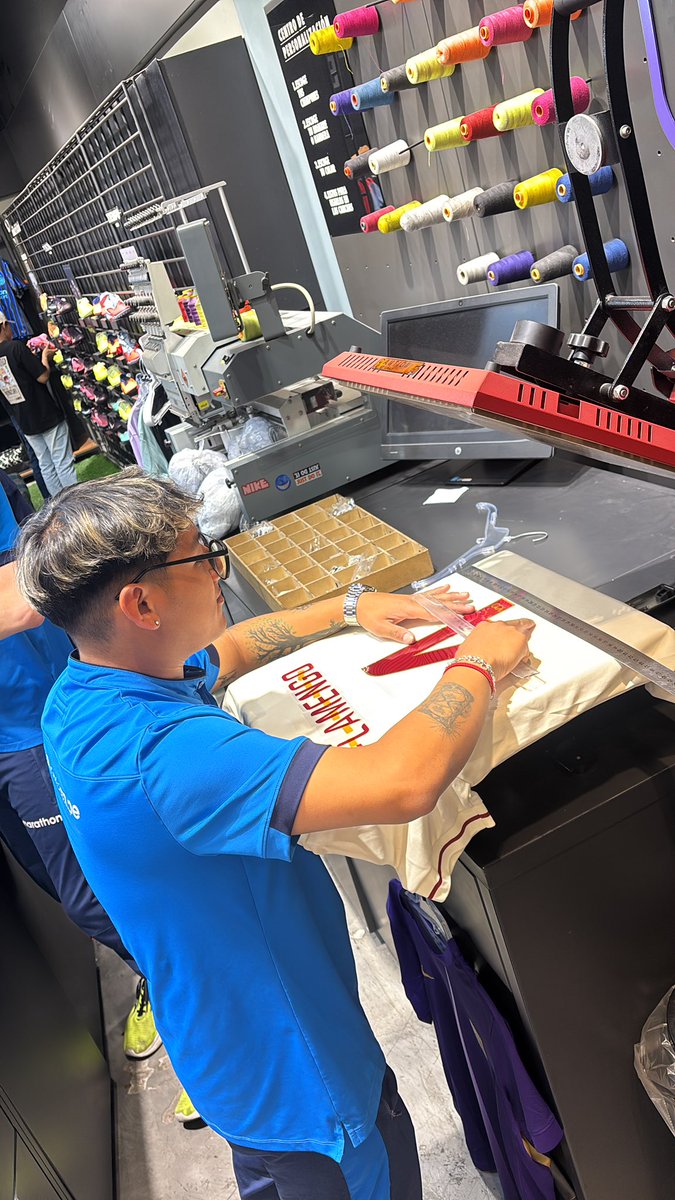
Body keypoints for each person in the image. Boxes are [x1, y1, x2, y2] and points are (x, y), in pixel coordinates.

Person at [15, 467, 534, 1200]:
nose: (218, 566)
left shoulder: (88, 691)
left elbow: (236, 648)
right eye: (202, 557)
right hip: (299, 1079)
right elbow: (401, 782)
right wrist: (479, 659)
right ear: (140, 602)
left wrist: (355, 604)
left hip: (234, 1049)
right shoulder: (166, 755)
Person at [0, 469, 199, 1123]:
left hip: (39, 711)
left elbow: (33, 588)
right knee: (69, 893)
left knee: (99, 893)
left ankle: (203, 1016)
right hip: (14, 732)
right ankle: (175, 986)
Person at [0, 313, 77, 496]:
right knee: (62, 462)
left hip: (23, 419)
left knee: (46, 465)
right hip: (44, 413)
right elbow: (42, 376)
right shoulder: (15, 347)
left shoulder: (13, 349)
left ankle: (58, 511)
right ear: (3, 325)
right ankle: (78, 506)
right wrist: (44, 356)